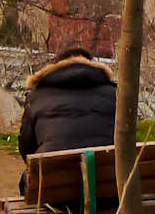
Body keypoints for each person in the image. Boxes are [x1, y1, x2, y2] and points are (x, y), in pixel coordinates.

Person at [19, 47, 117, 202]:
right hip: (107, 189)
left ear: (55, 67)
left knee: (26, 177)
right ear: (92, 66)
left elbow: (26, 147)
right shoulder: (115, 94)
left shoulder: (36, 97)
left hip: (52, 191)